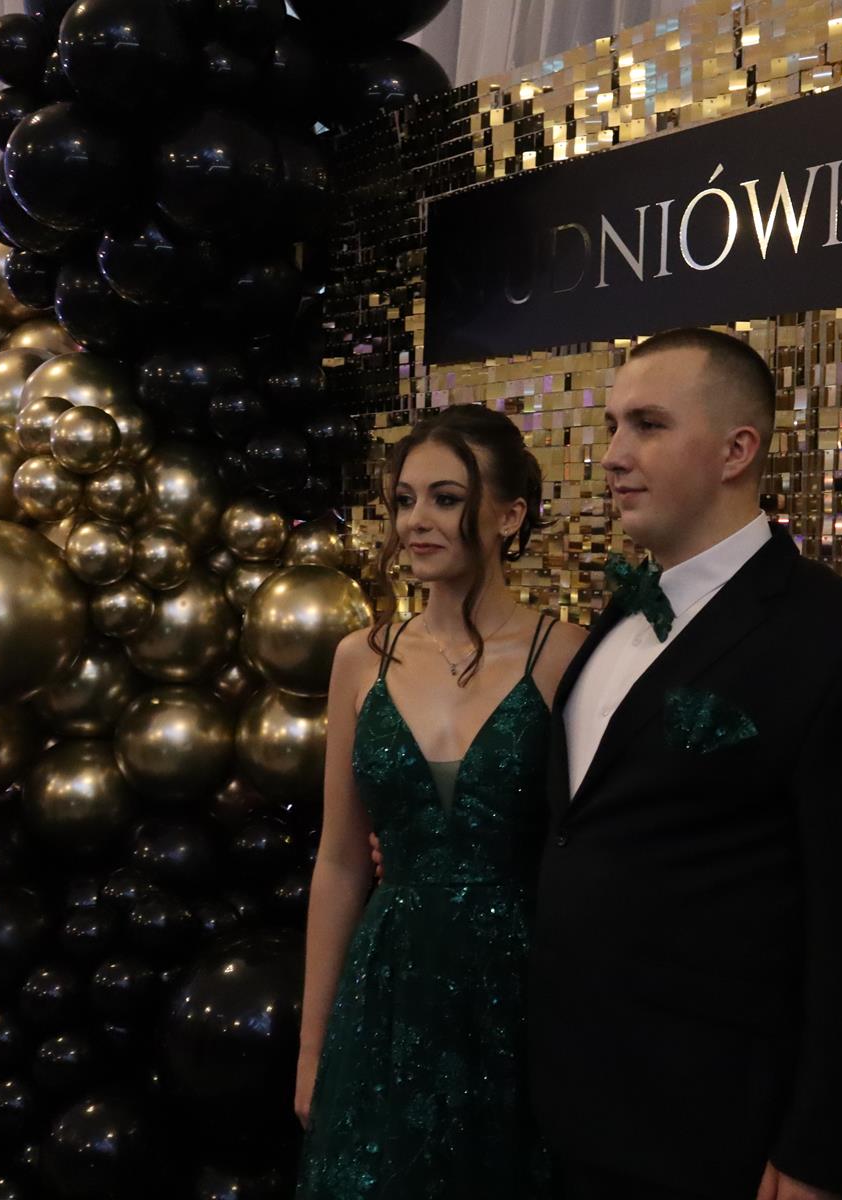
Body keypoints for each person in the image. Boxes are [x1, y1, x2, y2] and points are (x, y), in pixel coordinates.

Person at [532, 328, 842, 1200]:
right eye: (612, 426)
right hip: (565, 1105)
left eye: (648, 425)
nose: (613, 455)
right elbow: (583, 830)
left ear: (736, 450)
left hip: (713, 1130)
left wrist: (820, 1153)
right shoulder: (616, 617)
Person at [294, 403, 585, 1198]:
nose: (416, 521)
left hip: (518, 991)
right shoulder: (361, 658)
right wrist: (313, 1048)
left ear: (509, 515)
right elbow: (340, 863)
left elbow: (590, 851)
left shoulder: (564, 654)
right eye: (405, 500)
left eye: (446, 499)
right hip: (387, 991)